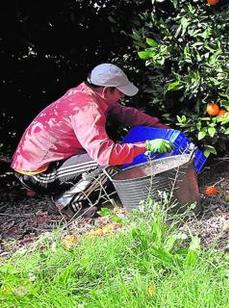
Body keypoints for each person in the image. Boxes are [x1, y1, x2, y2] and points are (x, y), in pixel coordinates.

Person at [11, 63, 173, 217]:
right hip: (38, 173)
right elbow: (106, 155)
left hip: (40, 163)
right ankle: (64, 203)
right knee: (109, 161)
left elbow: (127, 115)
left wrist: (164, 129)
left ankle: (71, 192)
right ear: (106, 90)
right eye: (120, 92)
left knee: (116, 153)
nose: (122, 96)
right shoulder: (86, 108)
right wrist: (147, 146)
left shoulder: (89, 94)